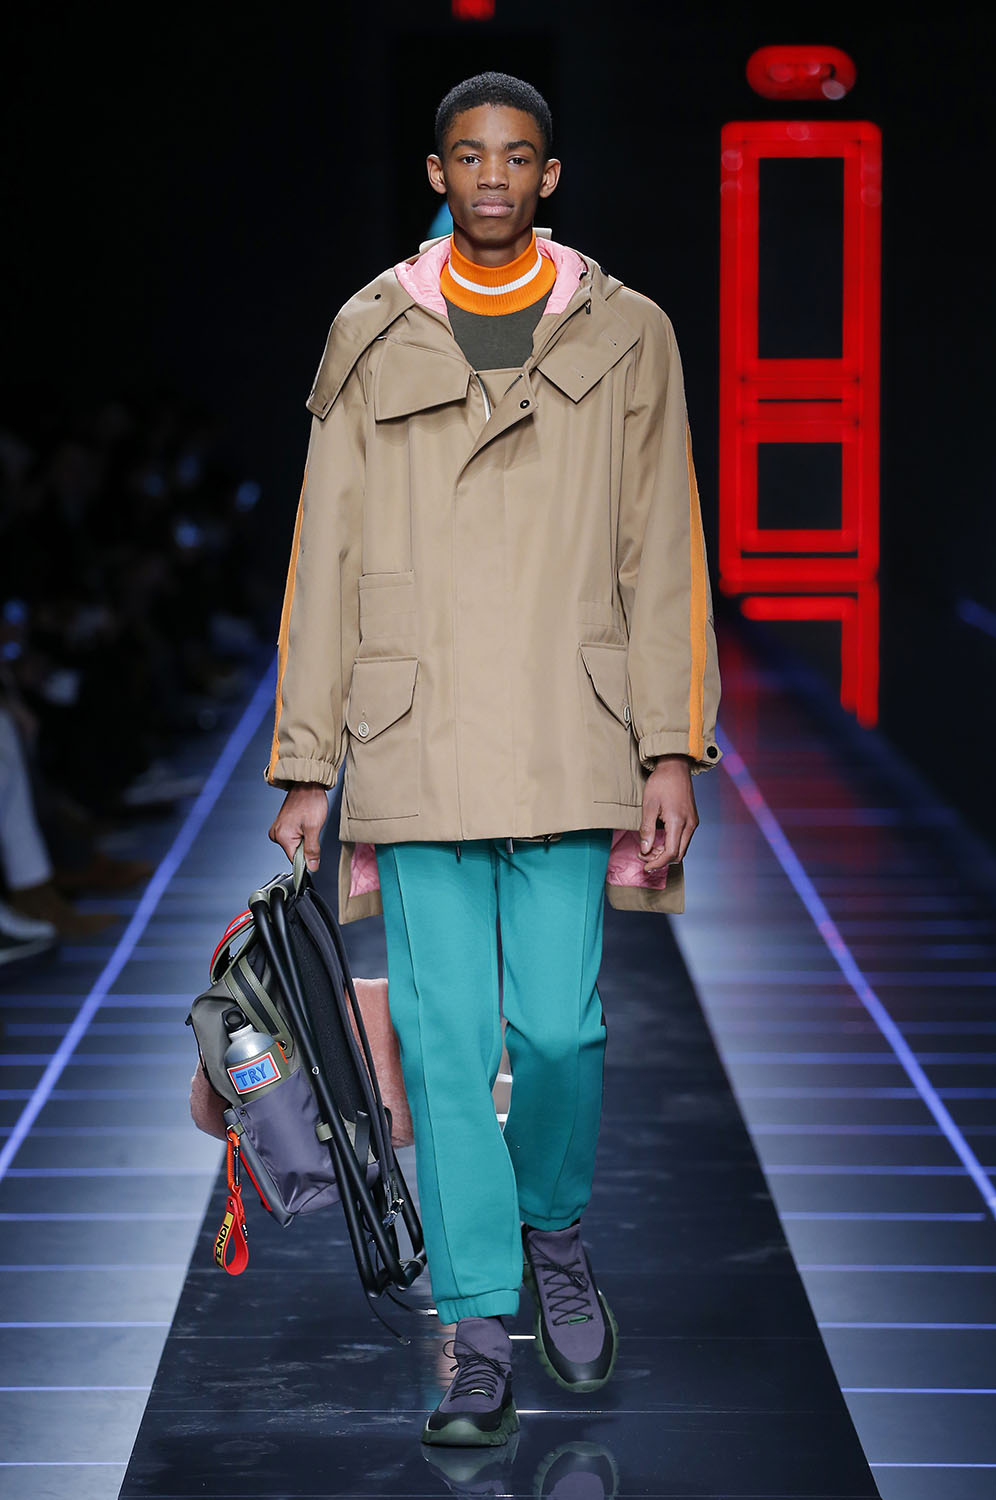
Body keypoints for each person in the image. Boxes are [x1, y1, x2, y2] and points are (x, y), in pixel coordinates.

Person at [267, 71, 721, 1449]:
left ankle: (555, 1232)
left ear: (549, 175)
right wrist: (307, 764)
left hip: (569, 725)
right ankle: (476, 1333)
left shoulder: (628, 334)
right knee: (447, 1045)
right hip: (415, 734)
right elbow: (323, 552)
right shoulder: (370, 331)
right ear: (437, 171)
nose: (493, 178)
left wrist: (671, 743)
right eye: (470, 156)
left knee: (561, 1029)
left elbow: (665, 546)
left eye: (516, 157)